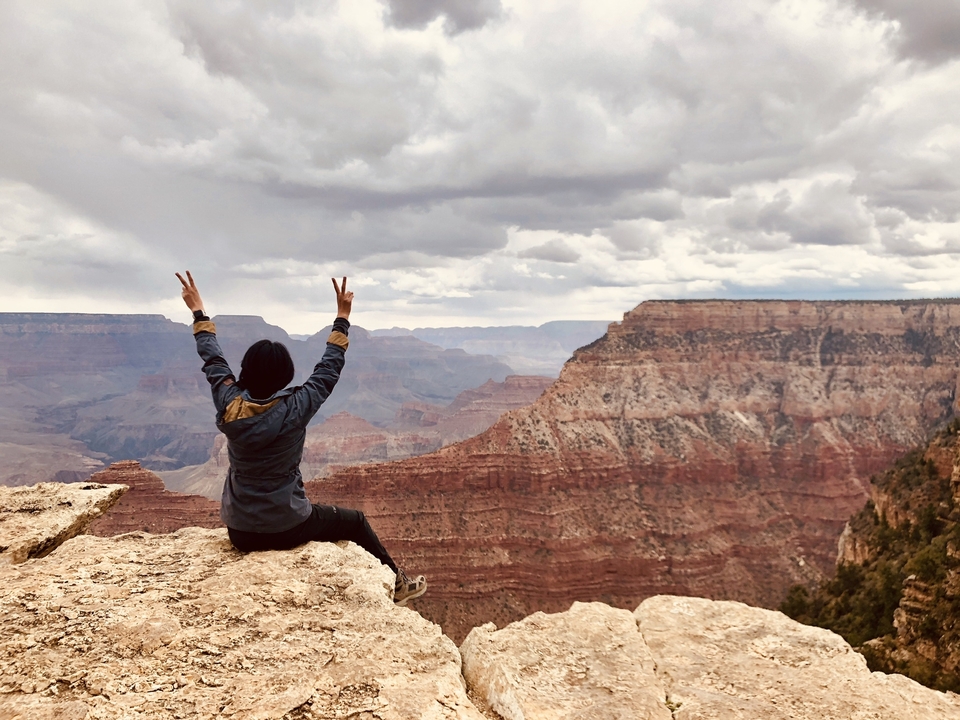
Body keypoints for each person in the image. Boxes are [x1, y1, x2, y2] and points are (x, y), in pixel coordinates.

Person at [176, 270, 426, 605]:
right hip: (287, 524)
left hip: (240, 531)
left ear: (246, 371)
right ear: (285, 375)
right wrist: (342, 317)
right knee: (354, 521)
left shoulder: (229, 404)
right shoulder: (297, 406)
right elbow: (328, 369)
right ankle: (397, 584)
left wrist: (198, 312)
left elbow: (214, 361)